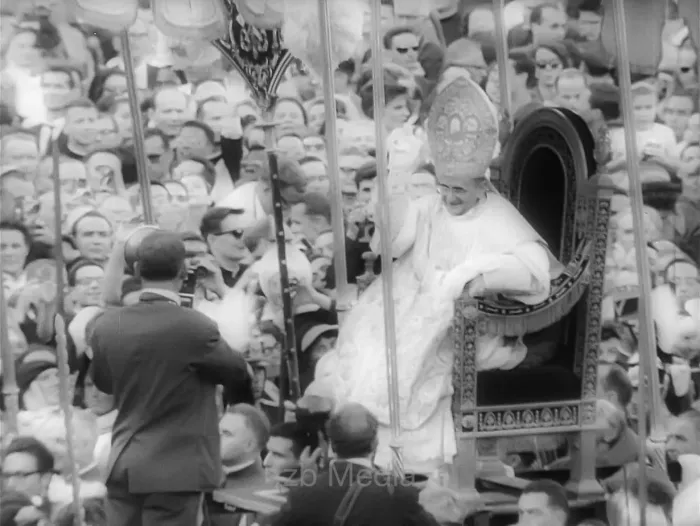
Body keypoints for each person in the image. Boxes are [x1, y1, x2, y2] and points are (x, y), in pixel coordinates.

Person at [310, 76, 561, 474]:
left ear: (482, 184)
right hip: (411, 303)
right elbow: (391, 242)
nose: (449, 197)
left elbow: (533, 268)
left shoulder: (498, 216)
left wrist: (475, 274)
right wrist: (396, 177)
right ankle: (362, 445)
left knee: (404, 362)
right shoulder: (430, 205)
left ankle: (408, 460)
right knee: (368, 354)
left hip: (468, 317)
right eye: (444, 187)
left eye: (458, 189)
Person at [89, 230, 253, 526]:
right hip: (177, 467)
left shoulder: (106, 325)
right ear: (182, 271)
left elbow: (104, 386)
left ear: (137, 271)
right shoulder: (196, 326)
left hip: (123, 462)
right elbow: (239, 373)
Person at [269, 403, 441, 526]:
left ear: (332, 444)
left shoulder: (303, 493)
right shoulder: (398, 493)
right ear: (374, 443)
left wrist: (307, 481)